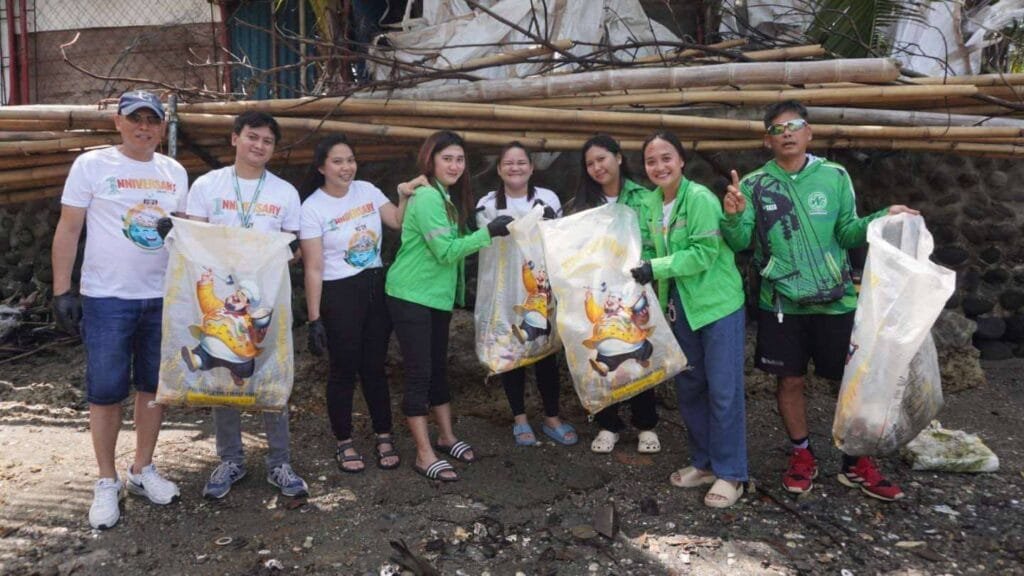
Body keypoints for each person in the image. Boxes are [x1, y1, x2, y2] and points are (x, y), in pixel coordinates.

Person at [721, 100, 918, 501]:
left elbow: (847, 232)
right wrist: (734, 215)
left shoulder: (834, 175)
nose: (787, 133)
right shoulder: (757, 185)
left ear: (809, 132)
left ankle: (854, 461)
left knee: (848, 384)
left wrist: (883, 216)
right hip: (781, 303)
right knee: (789, 380)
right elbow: (742, 243)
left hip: (836, 301)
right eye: (778, 129)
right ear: (767, 140)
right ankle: (802, 455)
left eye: (795, 125)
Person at [51, 90, 187, 529]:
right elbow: (69, 229)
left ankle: (142, 469)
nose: (144, 127)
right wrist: (62, 290)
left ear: (162, 127)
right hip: (107, 297)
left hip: (161, 296)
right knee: (106, 390)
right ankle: (106, 479)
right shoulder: (92, 165)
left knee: (152, 387)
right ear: (118, 122)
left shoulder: (174, 172)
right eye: (136, 119)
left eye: (153, 120)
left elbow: (186, 237)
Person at [183, 111, 308, 500]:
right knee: (224, 370)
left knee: (272, 369)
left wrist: (259, 265)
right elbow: (194, 240)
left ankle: (280, 462)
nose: (259, 146)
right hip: (221, 297)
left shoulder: (284, 193)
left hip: (265, 298)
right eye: (252, 137)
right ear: (235, 138)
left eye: (268, 141)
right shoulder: (207, 185)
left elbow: (294, 249)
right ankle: (231, 459)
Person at [385, 130, 513, 482]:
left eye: (459, 159)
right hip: (410, 294)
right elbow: (446, 251)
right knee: (420, 372)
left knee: (438, 368)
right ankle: (424, 454)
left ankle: (446, 436)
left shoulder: (444, 196)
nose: (455, 165)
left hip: (435, 296)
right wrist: (489, 234)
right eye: (447, 159)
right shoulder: (428, 198)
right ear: (431, 160)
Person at [630, 131, 747, 508]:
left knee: (724, 389)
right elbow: (645, 247)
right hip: (678, 305)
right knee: (690, 386)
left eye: (666, 158)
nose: (659, 166)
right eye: (651, 161)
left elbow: (704, 253)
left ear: (681, 160)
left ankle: (732, 473)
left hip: (716, 304)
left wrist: (654, 267)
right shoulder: (649, 202)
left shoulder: (698, 198)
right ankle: (704, 463)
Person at [299, 134, 413, 473]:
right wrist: (314, 318)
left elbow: (397, 221)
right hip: (338, 293)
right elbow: (314, 267)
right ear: (321, 167)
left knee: (375, 367)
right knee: (343, 369)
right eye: (337, 161)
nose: (346, 167)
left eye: (350, 159)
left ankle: (383, 433)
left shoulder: (367, 191)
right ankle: (344, 441)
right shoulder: (312, 208)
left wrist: (403, 196)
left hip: (375, 286)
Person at [475, 141, 577, 447]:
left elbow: (559, 238)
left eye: (521, 163)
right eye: (508, 163)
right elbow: (485, 241)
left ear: (532, 168)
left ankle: (551, 417)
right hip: (504, 291)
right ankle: (519, 419)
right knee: (512, 353)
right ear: (499, 169)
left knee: (545, 353)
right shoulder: (488, 204)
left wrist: (547, 220)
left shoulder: (547, 199)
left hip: (540, 289)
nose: (515, 168)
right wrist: (494, 228)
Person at [569, 134, 661, 456]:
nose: (597, 167)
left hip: (635, 288)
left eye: (602, 159)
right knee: (601, 356)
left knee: (638, 353)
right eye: (590, 163)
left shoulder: (645, 197)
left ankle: (646, 424)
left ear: (619, 158)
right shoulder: (581, 205)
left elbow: (655, 240)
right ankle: (608, 424)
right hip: (598, 293)